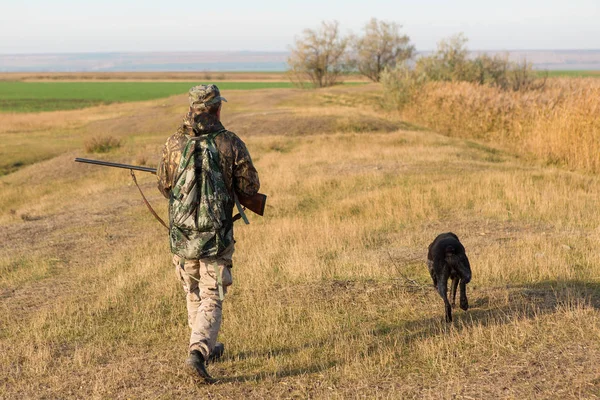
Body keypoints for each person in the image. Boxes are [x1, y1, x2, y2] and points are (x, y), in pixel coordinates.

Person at [157, 84, 260, 382]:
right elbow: (250, 187)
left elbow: (164, 186)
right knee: (212, 294)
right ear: (217, 108)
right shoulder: (229, 142)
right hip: (215, 236)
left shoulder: (173, 143)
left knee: (193, 291)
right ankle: (199, 353)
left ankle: (206, 346)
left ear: (191, 108)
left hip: (182, 235)